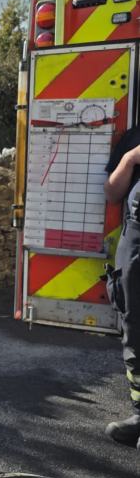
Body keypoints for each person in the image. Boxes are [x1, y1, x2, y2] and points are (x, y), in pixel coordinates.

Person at [103, 125, 140, 445]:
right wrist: (130, 159)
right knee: (135, 331)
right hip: (135, 243)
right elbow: (112, 193)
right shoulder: (134, 138)